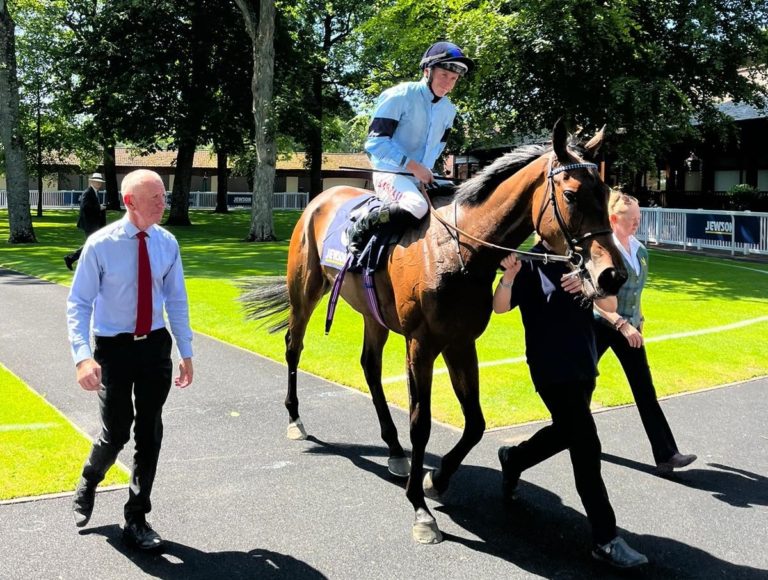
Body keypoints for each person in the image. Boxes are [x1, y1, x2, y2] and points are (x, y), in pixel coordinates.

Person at [494, 248, 648, 569]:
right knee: (587, 445)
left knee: (567, 432)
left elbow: (609, 305)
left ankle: (515, 458)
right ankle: (605, 540)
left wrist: (588, 285)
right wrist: (508, 276)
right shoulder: (528, 263)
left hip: (584, 367)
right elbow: (501, 307)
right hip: (550, 370)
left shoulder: (580, 260)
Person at [66, 169, 193, 551]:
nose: (162, 202)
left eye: (163, 195)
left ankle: (136, 517)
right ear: (129, 202)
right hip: (113, 349)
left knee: (149, 430)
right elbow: (79, 303)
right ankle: (90, 478)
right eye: (153, 197)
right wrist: (82, 358)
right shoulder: (101, 245)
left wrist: (186, 351)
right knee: (117, 430)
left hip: (155, 346)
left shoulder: (167, 243)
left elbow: (176, 300)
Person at [593, 191, 696, 473]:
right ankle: (566, 432)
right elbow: (597, 299)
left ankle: (667, 455)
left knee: (645, 390)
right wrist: (621, 323)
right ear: (614, 219)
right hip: (600, 326)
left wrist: (638, 319)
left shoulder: (640, 250)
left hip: (630, 329)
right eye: (632, 219)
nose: (638, 223)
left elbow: (636, 292)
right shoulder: (601, 251)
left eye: (639, 218)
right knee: (581, 385)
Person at [346, 41, 474, 254]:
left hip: (424, 174)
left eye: (454, 79)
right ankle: (364, 223)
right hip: (390, 172)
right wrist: (412, 166)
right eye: (444, 75)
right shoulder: (399, 95)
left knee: (462, 199)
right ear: (427, 71)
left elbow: (437, 147)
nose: (448, 84)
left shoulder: (449, 111)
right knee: (417, 206)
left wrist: (427, 172)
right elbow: (375, 142)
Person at [64, 172, 106, 270]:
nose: (99, 184)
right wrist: (99, 207)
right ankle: (71, 258)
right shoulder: (88, 192)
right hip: (89, 224)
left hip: (94, 223)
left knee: (93, 244)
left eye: (100, 182)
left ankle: (73, 259)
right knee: (92, 244)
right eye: (97, 182)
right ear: (92, 182)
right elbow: (85, 207)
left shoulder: (95, 192)